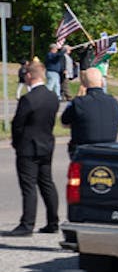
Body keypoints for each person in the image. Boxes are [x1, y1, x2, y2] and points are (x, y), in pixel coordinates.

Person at [7, 61, 60, 237]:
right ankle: (53, 222)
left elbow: (18, 124)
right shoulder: (52, 96)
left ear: (29, 76)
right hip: (46, 144)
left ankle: (27, 224)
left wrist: (16, 142)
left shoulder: (28, 99)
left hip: (28, 147)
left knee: (29, 186)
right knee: (47, 184)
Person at [60, 67, 118, 157]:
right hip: (108, 152)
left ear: (84, 84)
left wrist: (78, 95)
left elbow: (64, 122)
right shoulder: (114, 102)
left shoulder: (79, 103)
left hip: (83, 153)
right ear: (102, 82)